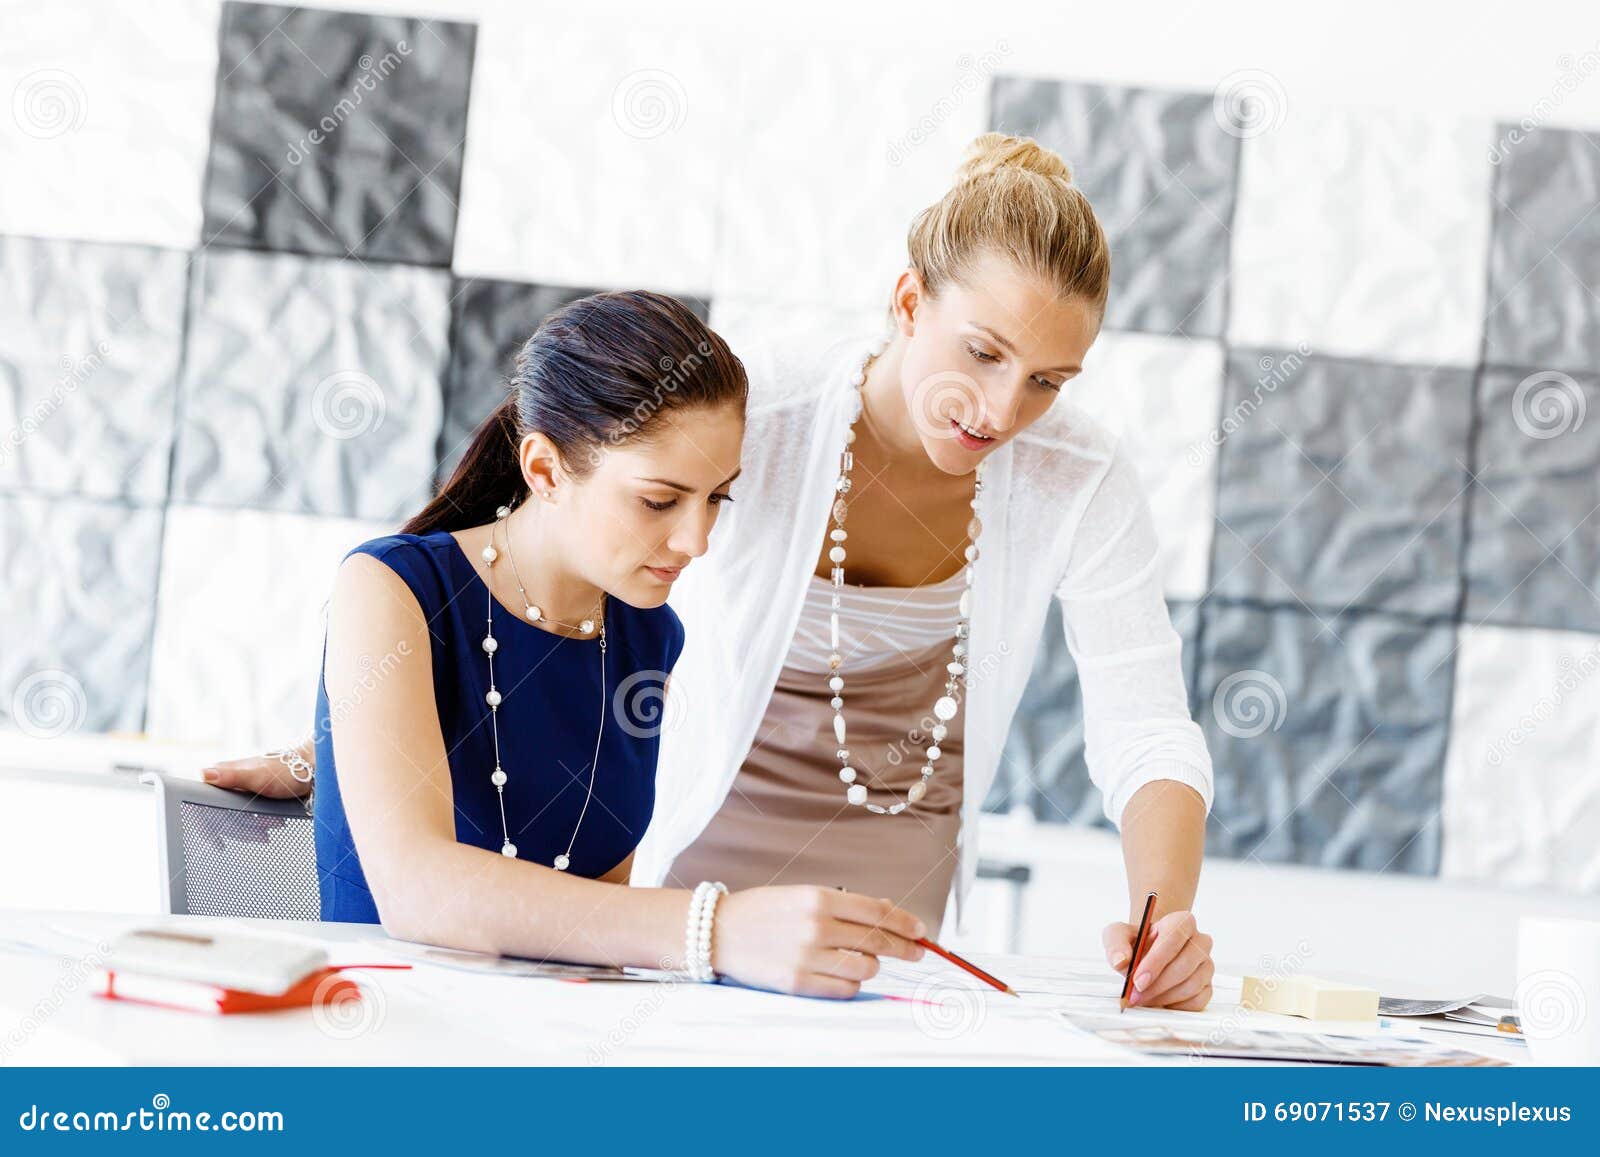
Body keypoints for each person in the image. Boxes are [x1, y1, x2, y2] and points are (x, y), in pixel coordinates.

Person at [208, 132, 1216, 1011]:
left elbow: (1144, 719)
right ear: (908, 302)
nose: (1000, 409)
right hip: (670, 917)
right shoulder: (754, 411)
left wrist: (1160, 917)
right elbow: (542, 574)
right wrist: (353, 728)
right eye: (984, 353)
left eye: (1047, 381)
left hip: (836, 940)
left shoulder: (1071, 476)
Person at [292, 289, 926, 999]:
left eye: (718, 497)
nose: (697, 540)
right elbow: (419, 893)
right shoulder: (390, 588)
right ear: (544, 470)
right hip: (383, 1034)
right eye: (660, 500)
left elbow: (591, 941)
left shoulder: (647, 634)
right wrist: (715, 929)